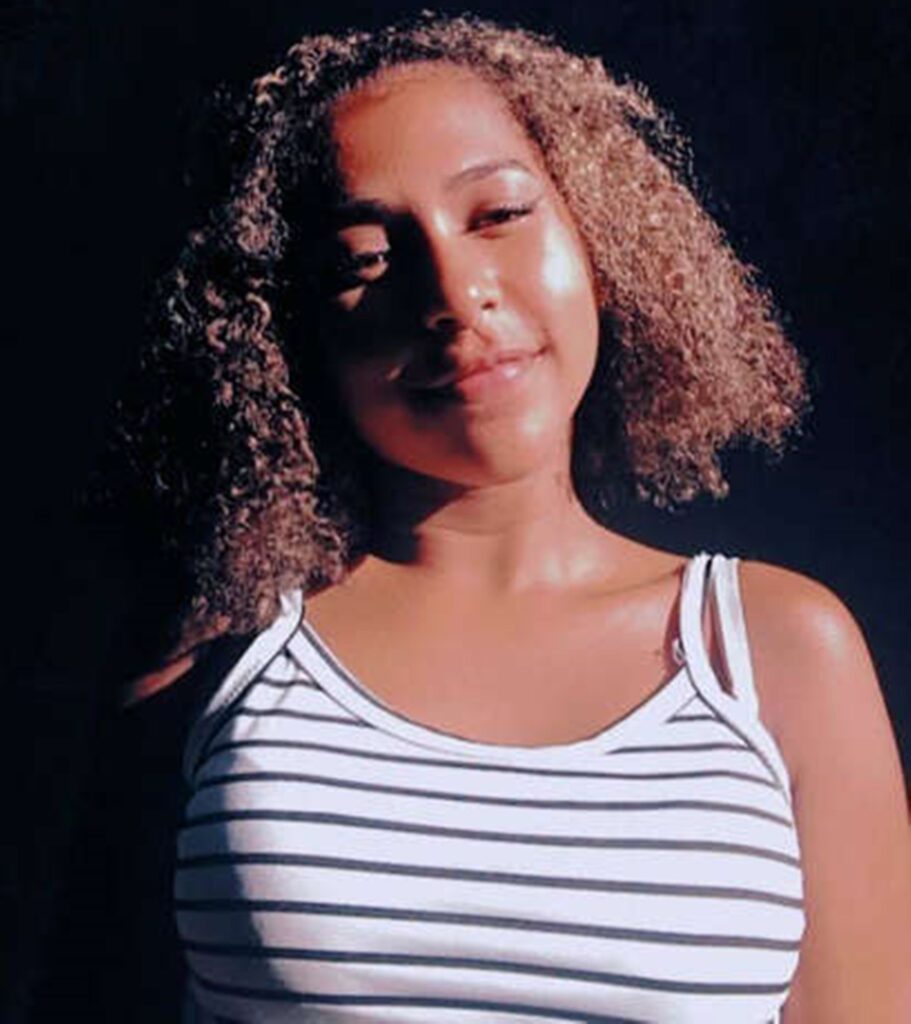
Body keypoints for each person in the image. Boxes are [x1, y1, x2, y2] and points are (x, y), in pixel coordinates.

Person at [112, 13, 910, 1023]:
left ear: (601, 237)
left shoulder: (776, 650)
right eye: (363, 258)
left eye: (496, 214)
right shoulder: (218, 652)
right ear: (285, 332)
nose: (452, 294)